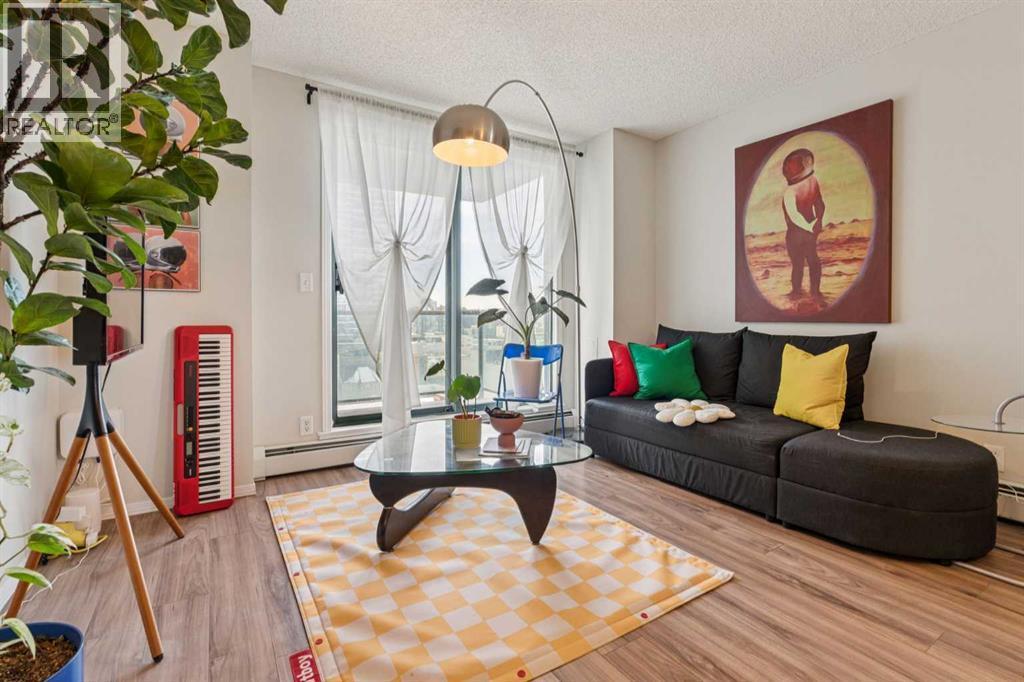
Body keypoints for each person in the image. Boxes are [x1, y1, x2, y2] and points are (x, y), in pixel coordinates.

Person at [780, 148, 825, 300]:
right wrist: (817, 222)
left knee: (801, 264)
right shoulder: (811, 182)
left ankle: (801, 292)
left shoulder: (793, 190)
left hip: (799, 232)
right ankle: (812, 292)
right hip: (806, 230)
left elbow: (795, 215)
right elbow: (818, 204)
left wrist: (816, 222)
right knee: (810, 261)